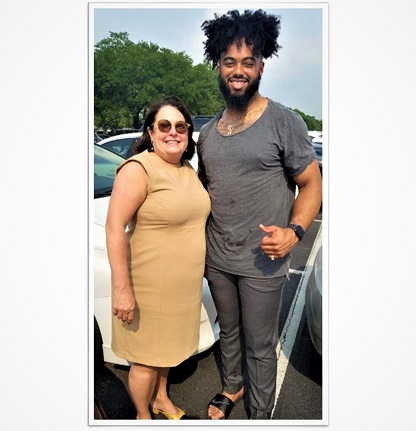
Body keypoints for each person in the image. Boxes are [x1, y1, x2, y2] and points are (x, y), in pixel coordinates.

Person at [197, 10, 322, 420]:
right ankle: (232, 387)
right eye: (229, 62)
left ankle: (259, 412)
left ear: (261, 66)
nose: (238, 71)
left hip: (262, 263)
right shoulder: (210, 132)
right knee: (229, 334)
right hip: (218, 258)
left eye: (247, 63)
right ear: (218, 64)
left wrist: (295, 231)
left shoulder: (283, 122)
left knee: (260, 344)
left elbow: (311, 182)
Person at [105, 95, 211, 420]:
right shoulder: (139, 169)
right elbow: (113, 227)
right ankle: (143, 416)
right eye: (164, 125)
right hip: (150, 287)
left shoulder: (187, 170)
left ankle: (161, 399)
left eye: (180, 125)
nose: (173, 132)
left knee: (167, 352)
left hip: (182, 289)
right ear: (150, 132)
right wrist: (122, 290)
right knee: (147, 359)